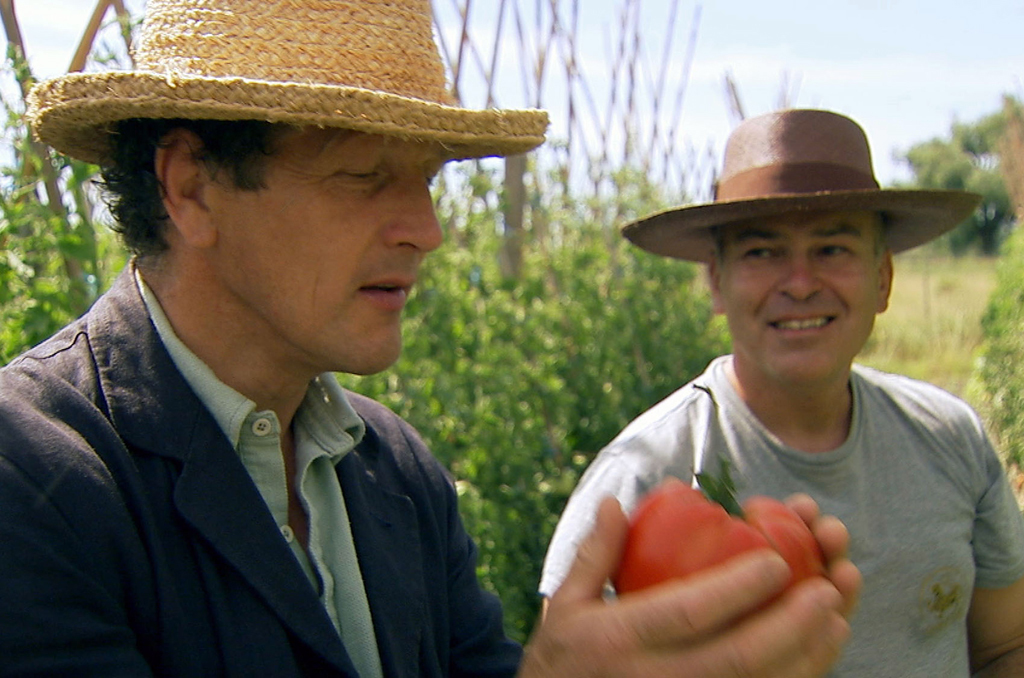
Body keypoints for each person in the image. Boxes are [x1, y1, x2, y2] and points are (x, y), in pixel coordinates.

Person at [0, 1, 859, 675]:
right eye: (363, 176)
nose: (426, 229)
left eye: (426, 180)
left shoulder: (394, 472)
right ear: (190, 187)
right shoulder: (35, 477)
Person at [539, 108, 1024, 676]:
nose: (799, 283)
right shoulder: (639, 476)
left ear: (883, 279)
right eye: (762, 252)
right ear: (716, 283)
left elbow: (1003, 646)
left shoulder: (951, 437)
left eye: (833, 248)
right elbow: (570, 660)